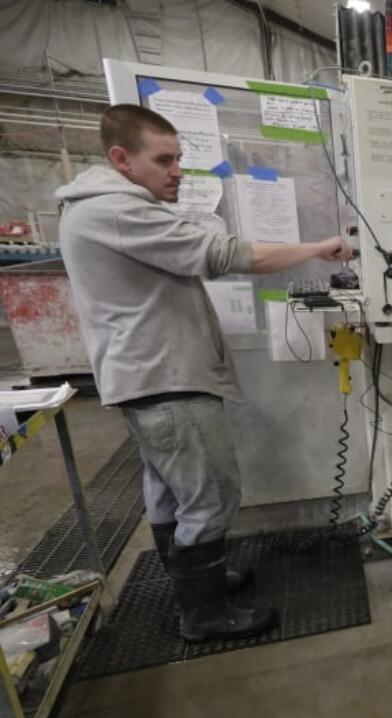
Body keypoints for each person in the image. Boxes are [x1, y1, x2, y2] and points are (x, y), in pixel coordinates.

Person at [56, 104, 354, 642]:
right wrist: (317, 247)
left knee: (172, 493)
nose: (177, 172)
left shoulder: (98, 209)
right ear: (120, 158)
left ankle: (198, 587)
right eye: (163, 160)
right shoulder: (118, 212)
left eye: (180, 159)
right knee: (210, 496)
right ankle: (204, 614)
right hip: (167, 380)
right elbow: (222, 254)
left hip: (147, 379)